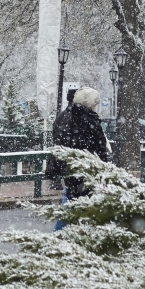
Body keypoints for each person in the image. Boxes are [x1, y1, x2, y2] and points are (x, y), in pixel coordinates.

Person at [54, 87, 110, 231]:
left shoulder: (64, 117)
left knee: (69, 204)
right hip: (87, 171)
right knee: (88, 209)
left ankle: (58, 237)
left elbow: (58, 141)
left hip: (69, 169)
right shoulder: (90, 121)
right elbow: (99, 149)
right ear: (91, 105)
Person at [46, 88, 78, 190]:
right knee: (73, 189)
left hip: (61, 153)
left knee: (69, 189)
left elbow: (56, 133)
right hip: (71, 155)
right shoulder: (75, 116)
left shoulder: (62, 115)